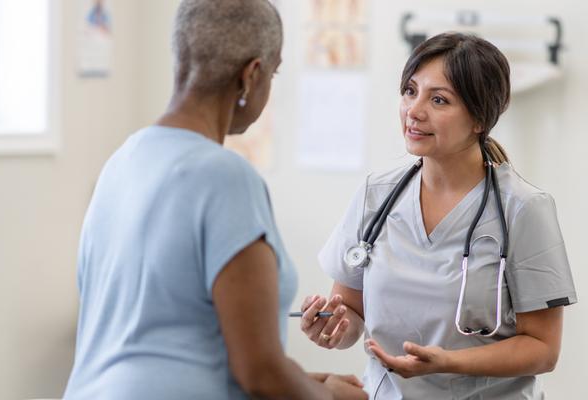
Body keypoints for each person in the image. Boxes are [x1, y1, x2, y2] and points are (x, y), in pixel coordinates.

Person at [63, 1, 367, 399]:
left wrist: (309, 382)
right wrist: (332, 397)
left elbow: (173, 341)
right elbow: (259, 373)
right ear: (251, 76)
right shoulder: (225, 177)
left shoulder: (122, 161)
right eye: (272, 74)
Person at [298, 32, 577, 399]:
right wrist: (334, 328)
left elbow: (543, 349)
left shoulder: (523, 208)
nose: (414, 111)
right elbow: (350, 313)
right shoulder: (376, 195)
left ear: (480, 118)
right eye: (410, 91)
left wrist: (449, 362)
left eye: (439, 100)